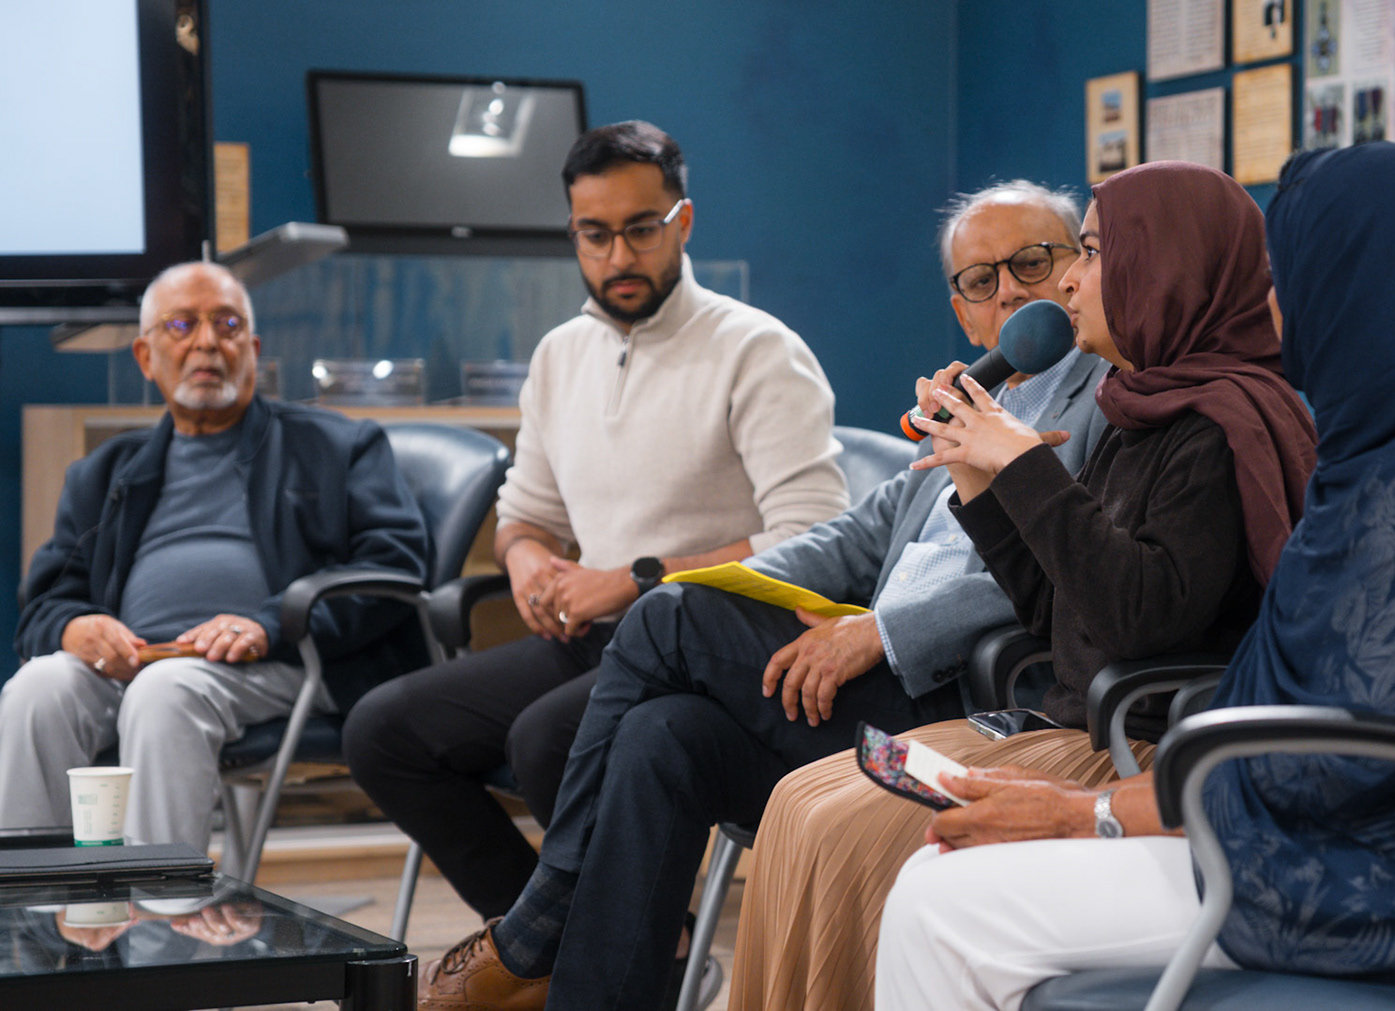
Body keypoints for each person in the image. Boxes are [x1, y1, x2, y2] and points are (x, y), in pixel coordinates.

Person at [874, 144, 1395, 1010]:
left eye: (1286, 276)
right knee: (940, 877)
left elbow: (1338, 759)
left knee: (938, 906)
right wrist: (1086, 800)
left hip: (1386, 885)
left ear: (1353, 286)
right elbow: (1320, 722)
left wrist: (1087, 812)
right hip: (1322, 835)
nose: (1270, 304)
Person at [416, 179, 1113, 1011]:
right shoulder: (977, 401)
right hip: (876, 679)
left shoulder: (1103, 401)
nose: (1009, 292)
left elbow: (1054, 578)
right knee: (660, 733)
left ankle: (539, 919)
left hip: (962, 706)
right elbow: (854, 538)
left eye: (1031, 263)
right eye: (980, 279)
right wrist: (738, 587)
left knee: (665, 613)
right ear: (963, 313)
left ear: (1075, 271)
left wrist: (880, 632)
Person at [729, 160, 1319, 1011]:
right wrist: (978, 475)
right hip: (1069, 719)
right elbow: (1054, 609)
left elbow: (1138, 618)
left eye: (1092, 255)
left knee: (840, 829)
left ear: (1165, 268)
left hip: (1135, 746)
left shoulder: (1217, 425)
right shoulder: (1141, 405)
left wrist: (1023, 466)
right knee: (797, 799)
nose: (1070, 282)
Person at [342, 120, 847, 921]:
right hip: (596, 637)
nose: (618, 257)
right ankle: (546, 945)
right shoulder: (559, 355)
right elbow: (524, 514)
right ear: (572, 232)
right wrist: (526, 563)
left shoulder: (758, 351)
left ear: (682, 221)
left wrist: (634, 580)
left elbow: (813, 537)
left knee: (546, 740)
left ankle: (637, 954)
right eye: (595, 234)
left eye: (641, 229)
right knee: (383, 730)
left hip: (712, 646)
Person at [0, 262, 431, 853]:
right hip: (136, 663)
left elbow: (395, 559)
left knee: (166, 692)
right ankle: (34, 905)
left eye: (226, 325)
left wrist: (269, 623)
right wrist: (75, 627)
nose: (207, 341)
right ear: (145, 357)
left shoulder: (337, 446)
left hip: (286, 661)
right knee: (37, 687)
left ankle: (162, 908)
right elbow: (45, 601)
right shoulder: (105, 473)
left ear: (252, 349)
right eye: (181, 325)